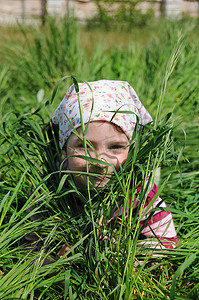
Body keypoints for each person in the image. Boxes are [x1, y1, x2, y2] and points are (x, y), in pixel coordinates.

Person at [50, 79, 178, 257]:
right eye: (84, 146)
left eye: (116, 147)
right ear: (64, 148)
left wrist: (126, 254)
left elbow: (167, 241)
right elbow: (30, 246)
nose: (100, 161)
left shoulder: (140, 192)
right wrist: (53, 261)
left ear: (132, 150)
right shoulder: (50, 187)